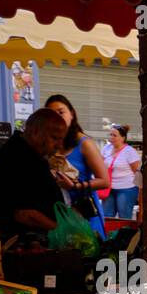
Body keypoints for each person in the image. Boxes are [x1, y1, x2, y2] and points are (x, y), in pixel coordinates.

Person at [0, 108, 67, 241]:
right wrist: (63, 231)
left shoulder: (33, 156)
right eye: (54, 138)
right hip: (22, 244)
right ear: (35, 132)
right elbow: (24, 214)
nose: (59, 145)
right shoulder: (14, 157)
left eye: (61, 139)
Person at [45, 93, 108, 239]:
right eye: (52, 114)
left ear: (72, 114)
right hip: (58, 215)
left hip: (85, 212)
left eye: (61, 112)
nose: (57, 118)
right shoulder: (47, 146)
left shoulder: (85, 144)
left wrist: (75, 186)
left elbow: (105, 181)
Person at [100, 124, 141, 219]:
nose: (111, 137)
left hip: (126, 189)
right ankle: (108, 234)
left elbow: (137, 173)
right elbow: (100, 164)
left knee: (124, 217)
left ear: (123, 138)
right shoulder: (106, 148)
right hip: (109, 189)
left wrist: (140, 193)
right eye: (110, 135)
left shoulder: (130, 152)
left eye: (114, 135)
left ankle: (123, 234)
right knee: (107, 217)